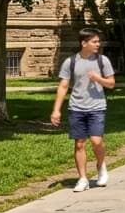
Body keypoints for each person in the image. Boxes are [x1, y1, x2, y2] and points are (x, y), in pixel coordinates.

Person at [50, 28, 116, 193]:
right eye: (95, 42)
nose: (98, 44)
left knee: (96, 141)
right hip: (76, 107)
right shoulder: (70, 62)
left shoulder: (102, 60)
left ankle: (101, 165)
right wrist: (56, 110)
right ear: (84, 43)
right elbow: (63, 86)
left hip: (97, 106)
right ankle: (83, 178)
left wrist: (98, 78)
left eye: (98, 41)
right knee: (79, 143)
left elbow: (111, 84)